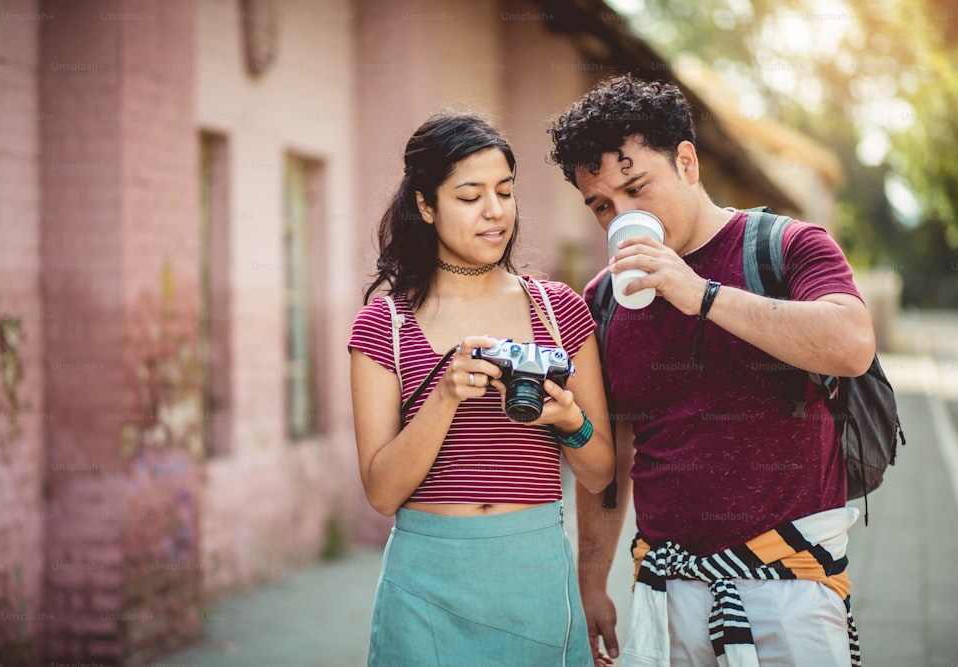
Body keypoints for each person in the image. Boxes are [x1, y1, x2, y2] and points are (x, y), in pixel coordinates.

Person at [547, 75, 876, 667]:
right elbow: (613, 458)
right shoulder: (602, 300)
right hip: (666, 591)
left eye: (636, 187)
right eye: (603, 205)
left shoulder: (784, 246)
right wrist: (592, 581)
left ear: (688, 164)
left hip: (790, 587)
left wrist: (700, 292)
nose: (622, 215)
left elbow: (851, 343)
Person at [348, 111, 615, 666]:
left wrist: (569, 422)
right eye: (470, 196)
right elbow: (381, 493)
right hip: (425, 585)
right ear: (426, 205)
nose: (495, 212)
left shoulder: (559, 308)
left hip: (536, 577)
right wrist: (444, 397)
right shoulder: (385, 325)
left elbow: (601, 472)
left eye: (505, 191)